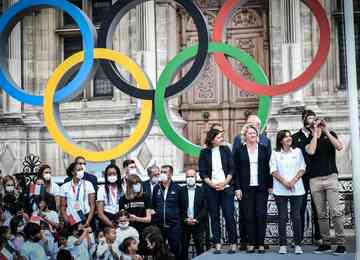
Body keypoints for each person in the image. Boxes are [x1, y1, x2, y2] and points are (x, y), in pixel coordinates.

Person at [304, 114, 346, 255]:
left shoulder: (330, 134)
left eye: (316, 121)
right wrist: (315, 134)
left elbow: (339, 147)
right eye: (312, 123)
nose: (316, 123)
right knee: (321, 214)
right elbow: (311, 151)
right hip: (315, 180)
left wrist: (326, 130)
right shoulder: (309, 139)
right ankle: (326, 243)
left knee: (336, 211)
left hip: (330, 177)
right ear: (309, 127)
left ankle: (341, 244)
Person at [232, 114, 271, 250]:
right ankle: (251, 243)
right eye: (250, 132)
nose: (253, 134)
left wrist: (270, 185)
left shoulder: (264, 149)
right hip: (245, 188)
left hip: (261, 187)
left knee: (261, 214)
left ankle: (260, 243)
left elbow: (268, 167)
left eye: (254, 132)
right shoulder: (240, 151)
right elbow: (235, 170)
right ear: (245, 135)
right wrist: (237, 187)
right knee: (248, 216)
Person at [198, 128, 237, 254]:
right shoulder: (204, 152)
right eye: (219, 137)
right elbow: (202, 172)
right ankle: (217, 243)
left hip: (226, 189)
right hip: (211, 189)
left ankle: (233, 243)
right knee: (214, 217)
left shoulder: (226, 150)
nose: (222, 139)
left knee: (229, 216)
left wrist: (225, 183)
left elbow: (232, 168)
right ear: (212, 139)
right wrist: (212, 185)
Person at [270, 130, 306, 255]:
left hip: (297, 190)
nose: (289, 138)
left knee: (296, 217)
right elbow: (273, 170)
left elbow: (302, 168)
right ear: (281, 140)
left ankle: (297, 244)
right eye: (286, 137)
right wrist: (285, 182)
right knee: (282, 217)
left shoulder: (297, 151)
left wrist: (293, 181)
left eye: (290, 136)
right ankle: (283, 245)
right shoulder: (275, 153)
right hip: (280, 190)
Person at [292, 110, 321, 244]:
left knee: (318, 206)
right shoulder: (294, 137)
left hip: (316, 175)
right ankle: (299, 237)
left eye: (314, 118)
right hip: (301, 177)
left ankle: (319, 236)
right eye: (310, 118)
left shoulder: (317, 135)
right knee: (300, 207)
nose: (312, 121)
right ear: (303, 119)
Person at [152, 165, 184, 260]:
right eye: (161, 172)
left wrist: (178, 221)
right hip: (159, 225)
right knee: (159, 250)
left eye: (165, 172)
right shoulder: (156, 188)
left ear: (171, 174)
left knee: (175, 250)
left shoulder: (178, 188)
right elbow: (153, 205)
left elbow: (182, 207)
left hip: (174, 225)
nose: (162, 174)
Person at [179, 169, 207, 260]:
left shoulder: (201, 190)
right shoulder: (181, 190)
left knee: (200, 248)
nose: (190, 178)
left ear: (196, 177)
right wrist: (185, 219)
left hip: (198, 224)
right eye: (188, 177)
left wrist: (197, 219)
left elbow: (205, 208)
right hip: (184, 224)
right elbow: (179, 208)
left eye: (192, 176)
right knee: (183, 248)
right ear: (185, 178)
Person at [60, 162, 96, 229]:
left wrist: (88, 221)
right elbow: (63, 206)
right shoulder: (64, 187)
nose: (81, 171)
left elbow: (92, 205)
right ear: (73, 172)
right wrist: (66, 220)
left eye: (82, 169)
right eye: (78, 170)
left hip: (85, 216)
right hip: (71, 218)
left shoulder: (88, 184)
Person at [119, 173, 152, 239]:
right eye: (135, 184)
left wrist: (136, 218)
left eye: (139, 183)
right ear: (130, 186)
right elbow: (122, 218)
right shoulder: (123, 199)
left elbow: (148, 219)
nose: (138, 185)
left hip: (144, 230)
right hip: (129, 231)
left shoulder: (145, 197)